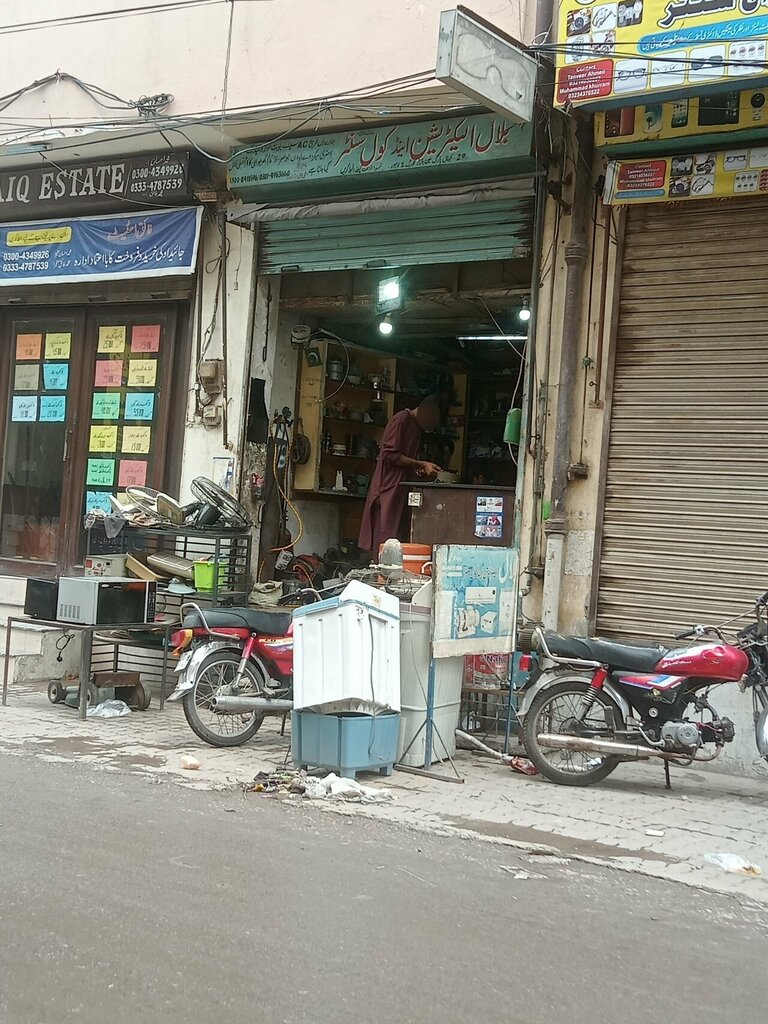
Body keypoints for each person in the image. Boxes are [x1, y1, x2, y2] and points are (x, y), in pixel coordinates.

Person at [358, 396, 442, 557]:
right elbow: (389, 453)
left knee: (397, 538)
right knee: (385, 539)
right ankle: (381, 575)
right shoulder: (401, 419)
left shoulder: (416, 428)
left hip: (400, 490)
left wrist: (419, 469)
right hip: (387, 489)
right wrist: (419, 464)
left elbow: (406, 460)